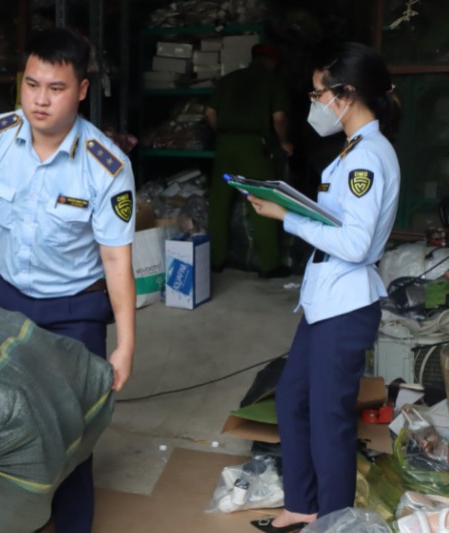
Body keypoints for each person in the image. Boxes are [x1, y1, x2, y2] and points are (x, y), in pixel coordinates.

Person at [0, 27, 135, 533]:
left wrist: (128, 344)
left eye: (56, 88)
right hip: (6, 301)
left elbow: (117, 260)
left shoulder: (105, 165)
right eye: (31, 85)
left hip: (75, 312)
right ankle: (10, 515)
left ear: (83, 90)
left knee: (72, 426)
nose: (40, 100)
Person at [246, 42, 400, 532]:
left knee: (329, 418)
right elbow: (342, 223)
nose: (314, 104)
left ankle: (334, 521)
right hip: (325, 300)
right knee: (294, 399)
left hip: (346, 303)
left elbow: (354, 243)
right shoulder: (354, 150)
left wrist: (286, 215)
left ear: (347, 94)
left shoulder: (367, 159)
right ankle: (304, 503)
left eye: (319, 94)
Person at [205, 43, 294, 277]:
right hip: (254, 146)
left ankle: (216, 260)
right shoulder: (273, 81)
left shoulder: (229, 79)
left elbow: (210, 112)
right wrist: (283, 141)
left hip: (225, 144)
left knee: (219, 204)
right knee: (262, 201)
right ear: (273, 63)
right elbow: (279, 117)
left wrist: (223, 134)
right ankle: (269, 265)